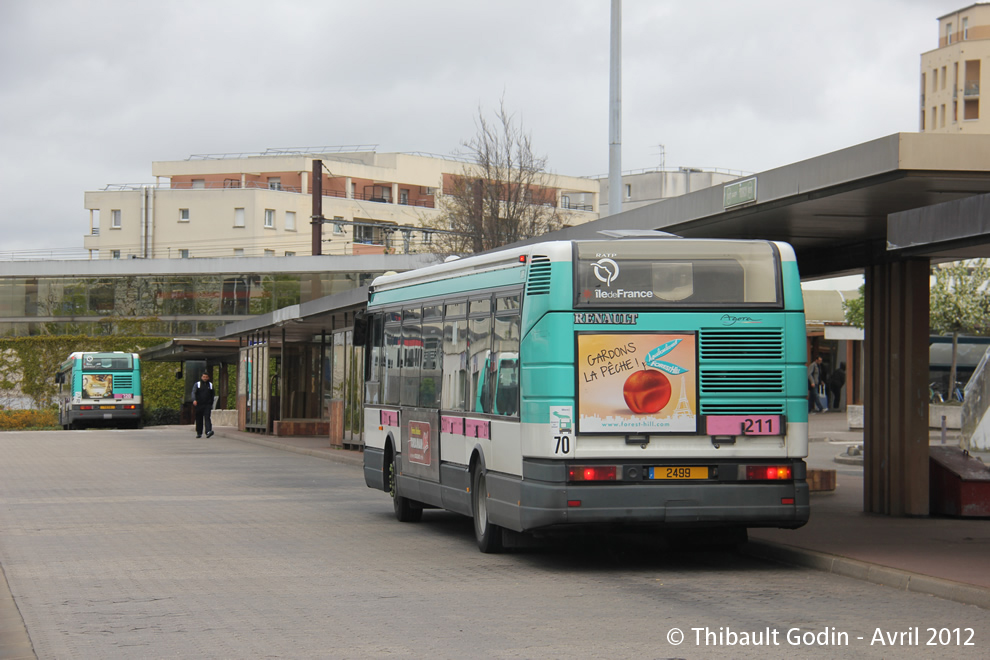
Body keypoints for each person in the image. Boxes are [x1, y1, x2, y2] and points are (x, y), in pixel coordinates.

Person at [192, 372, 215, 438]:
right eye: (204, 377)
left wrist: (211, 403)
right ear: (201, 377)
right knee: (199, 418)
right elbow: (193, 392)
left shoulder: (210, 385)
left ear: (208, 378)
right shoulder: (198, 384)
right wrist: (194, 400)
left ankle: (208, 431)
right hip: (199, 404)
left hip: (207, 404)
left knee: (207, 417)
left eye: (206, 377)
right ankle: (199, 432)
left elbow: (212, 394)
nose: (205, 378)